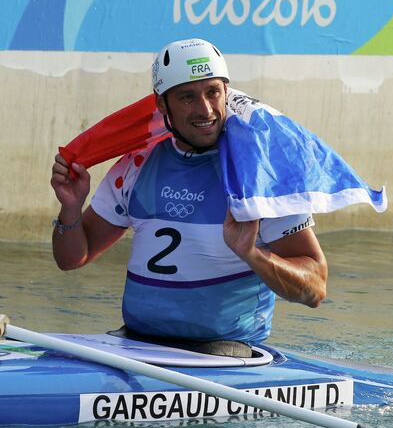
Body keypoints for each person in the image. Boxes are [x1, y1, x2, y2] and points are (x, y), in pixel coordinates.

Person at [50, 38, 327, 354]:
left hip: (221, 350)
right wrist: (70, 210)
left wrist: (252, 254)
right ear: (161, 105)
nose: (205, 109)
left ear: (227, 93)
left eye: (213, 93)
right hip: (135, 341)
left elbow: (315, 289)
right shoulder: (137, 165)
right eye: (187, 98)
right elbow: (71, 259)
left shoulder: (259, 175)